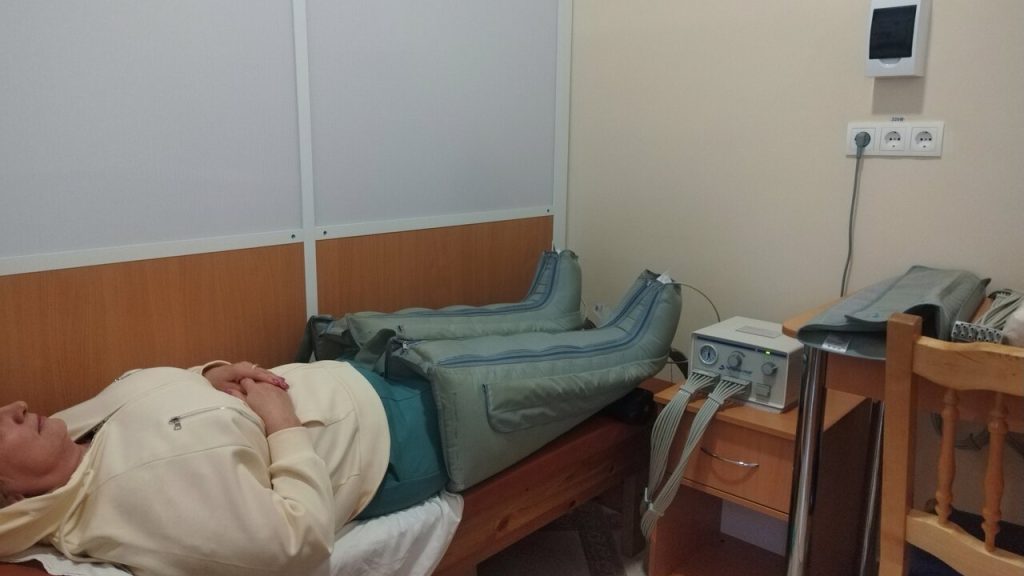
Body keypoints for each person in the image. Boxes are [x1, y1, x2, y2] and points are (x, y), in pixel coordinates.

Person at [0, 360, 447, 576]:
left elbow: (153, 401)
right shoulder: (131, 510)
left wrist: (207, 374)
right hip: (383, 436)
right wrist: (282, 422)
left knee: (483, 328)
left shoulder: (70, 428)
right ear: (12, 495)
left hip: (345, 375)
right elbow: (300, 541)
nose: (16, 407)